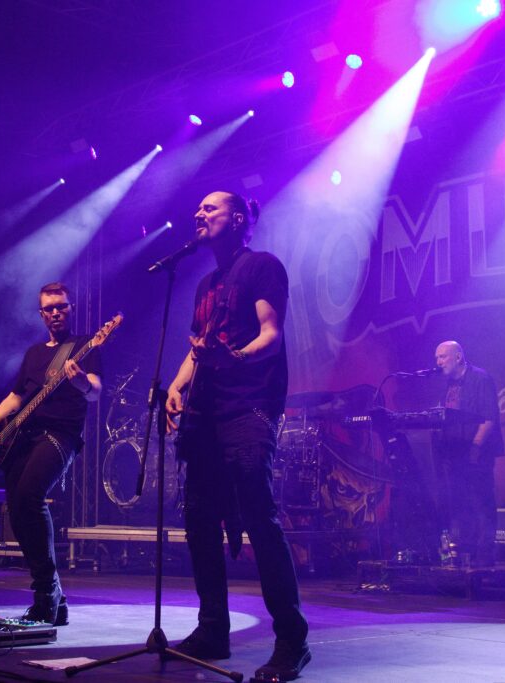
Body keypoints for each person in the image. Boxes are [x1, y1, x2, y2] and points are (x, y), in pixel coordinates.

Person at [165, 191, 310, 682]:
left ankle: (292, 640)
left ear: (238, 218)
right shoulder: (206, 284)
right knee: (200, 519)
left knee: (258, 518)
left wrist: (236, 358)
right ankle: (213, 630)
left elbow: (271, 333)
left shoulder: (262, 266)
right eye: (198, 208)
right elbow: (197, 349)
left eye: (210, 208)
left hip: (248, 407)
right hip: (205, 414)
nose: (199, 213)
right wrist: (177, 386)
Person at [0, 282, 102, 625]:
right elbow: (17, 396)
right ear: (41, 314)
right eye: (49, 308)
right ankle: (53, 597)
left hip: (61, 435)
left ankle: (47, 591)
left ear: (71, 308)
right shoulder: (33, 354)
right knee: (17, 509)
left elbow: (95, 391)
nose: (56, 313)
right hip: (23, 437)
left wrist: (80, 382)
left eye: (61, 306)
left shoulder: (86, 346)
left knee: (30, 496)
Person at [433, 340, 504, 567]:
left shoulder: (480, 379)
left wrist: (475, 448)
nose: (438, 362)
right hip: (454, 454)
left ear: (458, 357)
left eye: (443, 356)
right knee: (460, 503)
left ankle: (485, 555)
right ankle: (466, 552)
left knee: (481, 501)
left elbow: (489, 418)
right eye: (437, 358)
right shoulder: (448, 385)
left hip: (477, 453)